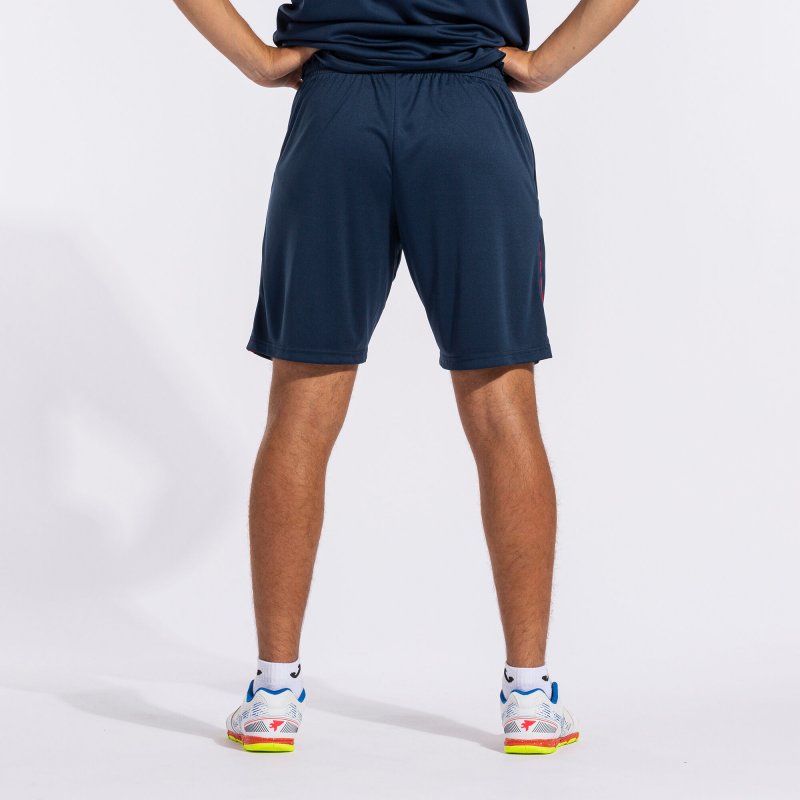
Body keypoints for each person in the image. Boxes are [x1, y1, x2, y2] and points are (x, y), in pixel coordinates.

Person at [173, 0, 639, 754]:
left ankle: (274, 694)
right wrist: (544, 64)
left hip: (337, 113)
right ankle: (528, 698)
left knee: (301, 412)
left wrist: (258, 60)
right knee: (503, 409)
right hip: (469, 111)